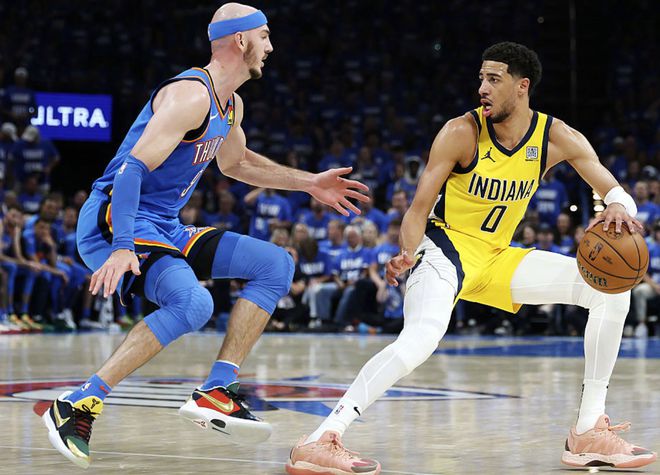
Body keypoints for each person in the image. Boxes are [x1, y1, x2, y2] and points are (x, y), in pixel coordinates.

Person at [286, 42, 656, 475]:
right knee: (421, 339)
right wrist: (407, 252)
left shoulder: (556, 136)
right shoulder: (460, 132)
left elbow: (614, 190)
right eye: (481, 78)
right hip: (444, 251)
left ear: (522, 86)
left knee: (610, 290)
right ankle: (321, 437)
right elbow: (417, 209)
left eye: (494, 79)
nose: (482, 88)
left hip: (497, 257)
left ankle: (588, 429)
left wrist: (618, 206)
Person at [42, 3, 368, 469]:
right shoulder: (190, 95)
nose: (270, 46)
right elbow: (131, 169)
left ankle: (218, 389)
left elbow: (238, 163)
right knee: (194, 304)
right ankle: (78, 403)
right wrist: (122, 247)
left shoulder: (231, 104)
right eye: (265, 36)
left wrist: (310, 183)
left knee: (275, 264)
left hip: (164, 224)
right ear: (241, 40)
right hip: (115, 218)